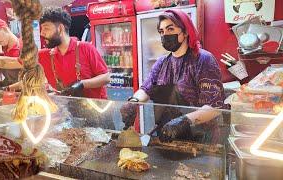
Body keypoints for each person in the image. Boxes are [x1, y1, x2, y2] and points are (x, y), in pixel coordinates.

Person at [121, 9, 227, 144]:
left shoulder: (203, 60)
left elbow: (214, 107)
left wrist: (184, 121)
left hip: (199, 140)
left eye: (170, 29)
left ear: (186, 31)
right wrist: (133, 102)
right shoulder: (161, 63)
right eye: (161, 31)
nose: (165, 35)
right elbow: (146, 89)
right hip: (167, 137)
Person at [38, 7, 110, 99]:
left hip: (95, 108)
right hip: (68, 109)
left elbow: (106, 78)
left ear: (60, 29)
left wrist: (82, 84)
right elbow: (20, 61)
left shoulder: (86, 48)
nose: (42, 33)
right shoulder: (45, 55)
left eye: (46, 28)